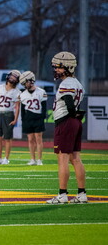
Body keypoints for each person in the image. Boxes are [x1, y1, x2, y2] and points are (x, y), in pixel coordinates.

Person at [46, 51, 87, 204]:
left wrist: (72, 113)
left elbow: (69, 102)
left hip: (66, 122)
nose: (56, 70)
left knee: (62, 159)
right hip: (74, 122)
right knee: (75, 158)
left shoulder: (67, 84)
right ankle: (82, 193)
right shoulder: (78, 83)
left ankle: (62, 194)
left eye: (59, 67)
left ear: (68, 67)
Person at [0, 70, 21, 165]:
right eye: (12, 77)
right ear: (8, 77)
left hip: (8, 115)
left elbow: (17, 107)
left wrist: (15, 119)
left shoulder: (17, 92)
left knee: (7, 138)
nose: (13, 79)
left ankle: (6, 158)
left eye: (15, 78)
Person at [18, 71, 47, 166]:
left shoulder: (41, 92)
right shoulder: (22, 94)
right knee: (30, 139)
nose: (24, 85)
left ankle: (39, 160)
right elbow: (22, 109)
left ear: (31, 80)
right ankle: (32, 159)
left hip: (38, 118)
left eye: (25, 82)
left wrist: (42, 118)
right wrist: (23, 120)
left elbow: (44, 107)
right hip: (28, 118)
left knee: (39, 139)